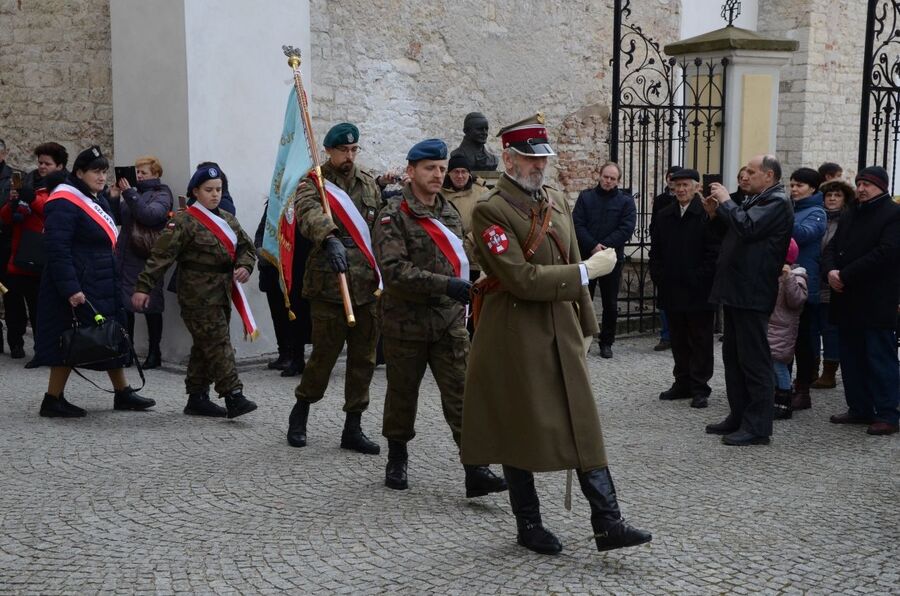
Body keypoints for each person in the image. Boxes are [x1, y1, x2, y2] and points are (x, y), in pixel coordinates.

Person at [460, 114, 648, 555]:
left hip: (560, 328)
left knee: (584, 423)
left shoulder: (556, 200)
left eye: (542, 158)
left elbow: (572, 257)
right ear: (508, 158)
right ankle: (528, 524)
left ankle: (608, 522)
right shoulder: (490, 210)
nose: (538, 167)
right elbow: (521, 279)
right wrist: (584, 272)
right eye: (529, 159)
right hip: (514, 333)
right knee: (517, 427)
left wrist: (586, 324)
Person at [373, 138, 507, 498]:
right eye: (430, 168)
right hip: (406, 322)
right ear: (411, 170)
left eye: (442, 168)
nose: (438, 174)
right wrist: (446, 285)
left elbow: (462, 256)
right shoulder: (393, 213)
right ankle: (397, 457)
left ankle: (475, 468)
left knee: (462, 395)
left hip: (448, 323)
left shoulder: (448, 211)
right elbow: (394, 270)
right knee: (402, 395)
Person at [33, 146, 154, 417]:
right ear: (79, 173)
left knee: (109, 335)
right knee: (69, 338)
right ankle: (52, 399)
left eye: (103, 172)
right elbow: (57, 249)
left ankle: (122, 392)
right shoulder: (63, 201)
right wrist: (71, 288)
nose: (101, 177)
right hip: (79, 282)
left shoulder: (95, 198)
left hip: (100, 280)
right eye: (95, 171)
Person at [286, 122, 383, 455]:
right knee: (323, 357)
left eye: (354, 150)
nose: (349, 156)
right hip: (330, 285)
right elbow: (308, 214)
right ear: (329, 150)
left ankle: (353, 427)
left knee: (364, 360)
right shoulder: (313, 183)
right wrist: (329, 238)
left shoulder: (369, 184)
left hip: (367, 286)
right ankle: (300, 412)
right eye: (344, 150)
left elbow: (379, 226)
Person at [133, 165, 257, 419]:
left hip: (222, 290)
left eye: (219, 190)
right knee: (218, 342)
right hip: (196, 293)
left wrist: (245, 266)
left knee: (205, 345)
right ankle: (233, 395)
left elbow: (246, 247)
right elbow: (161, 256)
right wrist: (144, 287)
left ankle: (197, 397)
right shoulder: (183, 221)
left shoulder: (227, 219)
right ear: (195, 192)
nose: (215, 195)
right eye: (209, 190)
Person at [703, 154, 794, 446]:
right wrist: (716, 213)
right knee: (733, 357)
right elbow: (734, 233)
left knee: (754, 361)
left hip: (753, 291)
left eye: (752, 172)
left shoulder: (777, 202)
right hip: (737, 290)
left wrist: (726, 202)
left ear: (769, 176)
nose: (745, 176)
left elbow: (748, 228)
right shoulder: (755, 200)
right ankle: (738, 414)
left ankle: (757, 426)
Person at [823, 166, 900, 435]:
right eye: (859, 183)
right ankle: (860, 408)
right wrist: (831, 271)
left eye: (868, 184)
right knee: (851, 357)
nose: (862, 188)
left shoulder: (893, 214)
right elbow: (832, 246)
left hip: (876, 299)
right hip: (846, 298)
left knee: (880, 358)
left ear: (882, 186)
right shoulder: (850, 211)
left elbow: (887, 252)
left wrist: (844, 274)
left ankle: (889, 414)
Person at [649, 168, 720, 409]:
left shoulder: (707, 214)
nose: (680, 190)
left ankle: (700, 386)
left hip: (699, 289)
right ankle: (682, 382)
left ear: (697, 187)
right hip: (671, 287)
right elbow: (656, 250)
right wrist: (659, 276)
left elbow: (714, 252)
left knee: (700, 339)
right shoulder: (665, 214)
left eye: (685, 185)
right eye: (676, 185)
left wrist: (698, 277)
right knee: (678, 338)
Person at [0, 142, 67, 365]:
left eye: (47, 163)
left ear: (60, 165)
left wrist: (31, 199)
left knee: (41, 310)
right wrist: (13, 203)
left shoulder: (64, 187)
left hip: (42, 257)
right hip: (19, 254)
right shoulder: (28, 180)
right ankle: (16, 343)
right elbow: (6, 218)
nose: (41, 167)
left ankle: (43, 350)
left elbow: (52, 209)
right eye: (39, 162)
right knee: (13, 303)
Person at [109, 156, 173, 370]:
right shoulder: (132, 193)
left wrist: (129, 193)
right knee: (125, 305)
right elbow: (118, 218)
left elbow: (150, 215)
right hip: (126, 255)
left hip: (147, 256)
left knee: (152, 305)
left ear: (155, 174)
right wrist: (114, 197)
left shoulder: (162, 193)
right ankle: (127, 351)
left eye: (143, 172)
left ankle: (154, 352)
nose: (138, 176)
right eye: (137, 172)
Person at [573, 161, 637, 358]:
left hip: (611, 259)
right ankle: (583, 338)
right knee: (584, 299)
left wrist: (604, 247)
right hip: (588, 257)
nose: (608, 181)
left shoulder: (625, 202)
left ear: (618, 181)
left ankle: (606, 342)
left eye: (612, 178)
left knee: (610, 302)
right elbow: (577, 223)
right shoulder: (586, 198)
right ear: (599, 176)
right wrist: (593, 245)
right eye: (605, 177)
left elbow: (626, 228)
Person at [253, 202, 312, 376]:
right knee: (278, 313)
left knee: (298, 314)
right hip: (272, 268)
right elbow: (262, 231)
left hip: (296, 269)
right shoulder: (274, 203)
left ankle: (297, 356)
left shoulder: (306, 202)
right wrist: (261, 251)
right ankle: (284, 354)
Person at [785, 168, 826, 411]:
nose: (794, 190)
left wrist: (783, 215)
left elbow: (802, 235)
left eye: (799, 185)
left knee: (803, 341)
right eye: (791, 185)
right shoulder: (791, 209)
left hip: (803, 285)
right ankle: (783, 384)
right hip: (784, 281)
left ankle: (803, 388)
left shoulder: (816, 212)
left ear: (812, 188)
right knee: (784, 338)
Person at [810, 179, 854, 389]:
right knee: (812, 328)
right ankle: (811, 368)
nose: (832, 199)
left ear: (844, 199)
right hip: (814, 281)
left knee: (830, 329)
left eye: (837, 195)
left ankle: (829, 373)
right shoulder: (818, 217)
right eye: (829, 195)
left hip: (834, 282)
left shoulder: (848, 221)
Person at [767, 239, 808, 420]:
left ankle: (784, 401)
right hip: (769, 326)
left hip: (783, 329)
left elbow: (796, 301)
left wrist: (788, 277)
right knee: (769, 365)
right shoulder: (770, 273)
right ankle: (772, 398)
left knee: (779, 365)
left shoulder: (797, 276)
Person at [648, 164, 683, 352]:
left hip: (681, 257)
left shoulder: (689, 202)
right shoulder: (661, 200)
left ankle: (679, 335)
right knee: (663, 299)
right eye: (670, 176)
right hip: (664, 254)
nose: (673, 181)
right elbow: (655, 225)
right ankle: (666, 335)